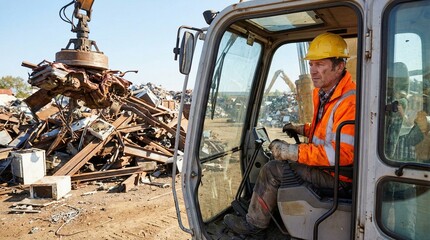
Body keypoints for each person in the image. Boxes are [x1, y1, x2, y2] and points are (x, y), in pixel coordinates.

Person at [224, 32, 356, 237]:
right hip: (329, 169)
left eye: (320, 64)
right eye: (311, 64)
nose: (313, 70)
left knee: (272, 169)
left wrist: (293, 151)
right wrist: (301, 129)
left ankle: (254, 226)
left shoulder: (349, 101)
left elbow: (342, 154)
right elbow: (328, 131)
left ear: (339, 66)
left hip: (339, 177)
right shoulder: (328, 92)